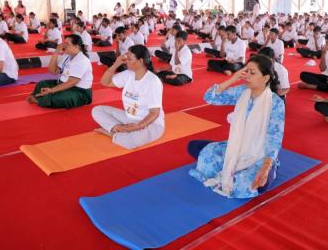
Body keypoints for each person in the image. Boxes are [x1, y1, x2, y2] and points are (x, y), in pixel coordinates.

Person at [188, 55, 284, 198]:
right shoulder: (242, 92)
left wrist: (265, 167)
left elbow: (274, 137)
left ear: (265, 78)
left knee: (252, 184)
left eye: (252, 73)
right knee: (193, 146)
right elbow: (209, 97)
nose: (247, 76)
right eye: (246, 71)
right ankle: (232, 167)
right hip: (236, 147)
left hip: (259, 154)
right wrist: (233, 78)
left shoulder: (275, 104)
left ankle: (269, 170)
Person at [92, 44, 165, 149]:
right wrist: (115, 64)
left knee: (132, 141)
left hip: (150, 123)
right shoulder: (128, 74)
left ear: (140, 61)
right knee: (97, 110)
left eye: (129, 59)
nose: (126, 61)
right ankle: (119, 128)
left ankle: (111, 133)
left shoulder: (152, 81)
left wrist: (138, 126)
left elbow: (154, 113)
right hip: (129, 118)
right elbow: (105, 82)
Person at [28, 34, 93, 108]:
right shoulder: (67, 56)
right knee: (41, 84)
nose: (64, 46)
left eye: (67, 44)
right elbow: (53, 71)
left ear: (77, 46)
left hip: (78, 91)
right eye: (64, 43)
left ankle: (39, 100)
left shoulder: (82, 60)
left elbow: (72, 82)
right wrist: (56, 51)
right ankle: (44, 97)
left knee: (60, 98)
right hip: (62, 83)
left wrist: (52, 90)